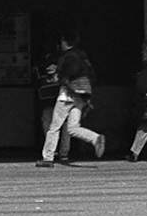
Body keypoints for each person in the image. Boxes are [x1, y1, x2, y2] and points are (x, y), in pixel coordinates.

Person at [39, 31, 104, 166]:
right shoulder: (83, 57)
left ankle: (48, 158)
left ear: (64, 42)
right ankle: (95, 138)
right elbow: (91, 75)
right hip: (81, 96)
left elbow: (68, 73)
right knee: (72, 128)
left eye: (62, 41)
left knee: (54, 127)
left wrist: (58, 76)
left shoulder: (67, 56)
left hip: (67, 95)